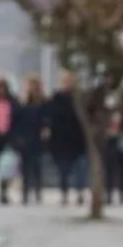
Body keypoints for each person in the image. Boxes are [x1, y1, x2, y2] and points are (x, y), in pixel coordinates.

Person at [45, 72, 88, 206]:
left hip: (78, 138)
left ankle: (80, 192)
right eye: (65, 81)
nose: (68, 83)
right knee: (64, 168)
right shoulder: (56, 98)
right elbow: (50, 117)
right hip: (61, 139)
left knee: (80, 168)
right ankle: (64, 193)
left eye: (70, 81)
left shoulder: (80, 97)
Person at [14, 74, 47, 205]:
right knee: (25, 166)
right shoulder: (22, 102)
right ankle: (25, 192)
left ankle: (38, 191)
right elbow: (17, 120)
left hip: (37, 137)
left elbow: (45, 118)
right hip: (25, 137)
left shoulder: (42, 102)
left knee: (37, 165)